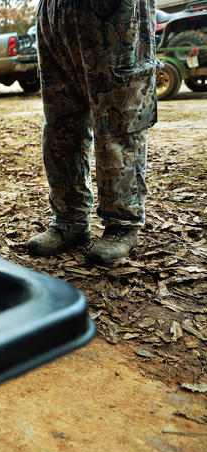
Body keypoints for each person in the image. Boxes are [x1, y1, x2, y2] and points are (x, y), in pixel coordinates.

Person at [27, 0, 159, 264]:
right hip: (54, 13)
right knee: (60, 124)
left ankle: (122, 224)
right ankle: (70, 219)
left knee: (118, 120)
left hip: (112, 11)